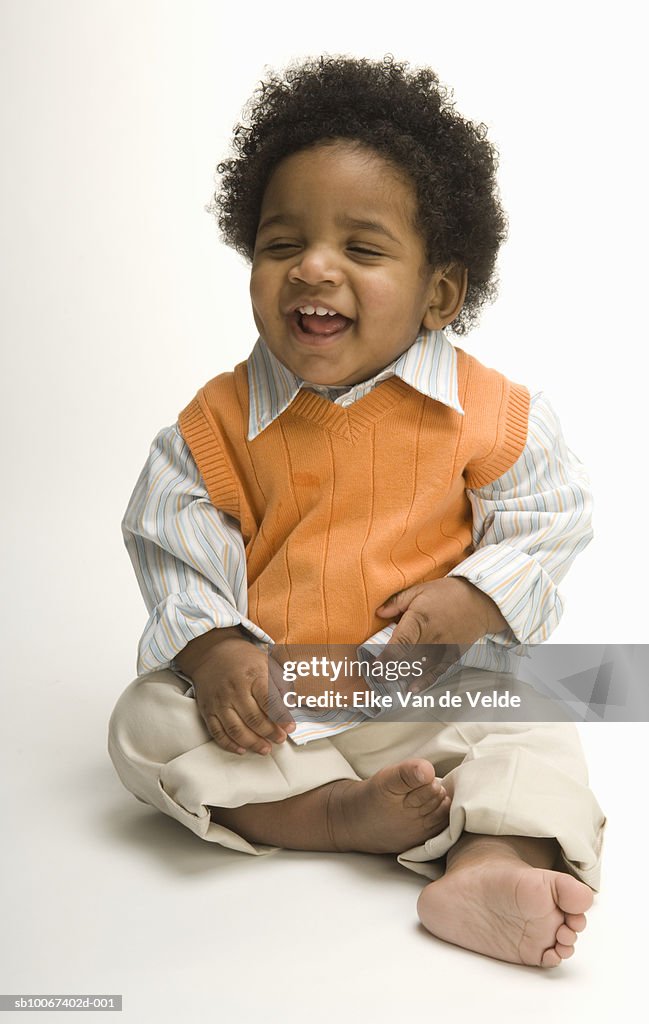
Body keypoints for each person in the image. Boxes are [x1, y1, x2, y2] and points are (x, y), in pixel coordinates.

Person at [109, 56, 605, 968]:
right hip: (282, 701)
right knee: (144, 723)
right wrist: (219, 655)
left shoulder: (487, 411)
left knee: (541, 708)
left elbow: (552, 516)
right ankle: (326, 815)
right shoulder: (212, 428)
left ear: (440, 293)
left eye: (363, 250)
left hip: (424, 685)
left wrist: (479, 600)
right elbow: (172, 545)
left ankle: (493, 864)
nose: (315, 269)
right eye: (281, 244)